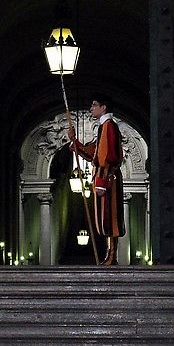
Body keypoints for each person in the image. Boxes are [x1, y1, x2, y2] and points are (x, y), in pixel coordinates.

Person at [68, 96, 125, 265]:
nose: (91, 108)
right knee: (105, 218)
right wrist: (75, 141)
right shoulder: (103, 127)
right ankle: (110, 255)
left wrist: (101, 180)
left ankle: (112, 256)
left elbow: (108, 157)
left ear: (104, 107)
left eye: (94, 105)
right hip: (104, 177)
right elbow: (93, 153)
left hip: (108, 179)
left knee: (110, 217)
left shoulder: (108, 126)